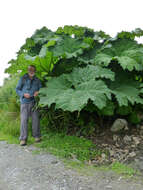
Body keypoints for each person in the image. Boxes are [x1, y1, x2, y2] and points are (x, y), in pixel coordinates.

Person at [16, 65, 42, 146]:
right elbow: (17, 89)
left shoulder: (37, 80)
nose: (31, 71)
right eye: (30, 70)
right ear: (28, 70)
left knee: (36, 120)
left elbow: (41, 89)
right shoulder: (23, 78)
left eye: (33, 70)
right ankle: (23, 139)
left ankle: (37, 136)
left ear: (35, 71)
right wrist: (23, 94)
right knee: (24, 120)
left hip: (34, 102)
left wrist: (38, 92)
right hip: (24, 102)